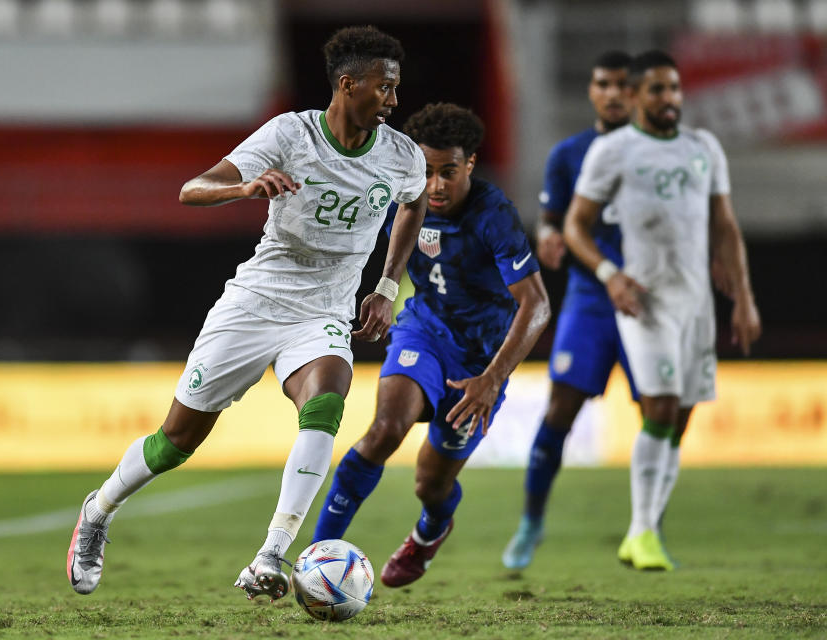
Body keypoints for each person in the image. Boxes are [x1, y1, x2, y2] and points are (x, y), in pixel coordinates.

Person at [66, 25, 428, 600]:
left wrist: (387, 283)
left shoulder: (402, 156)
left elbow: (413, 206)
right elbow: (192, 188)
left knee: (327, 403)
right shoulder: (291, 133)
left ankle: (270, 556)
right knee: (175, 442)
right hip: (256, 303)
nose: (392, 100)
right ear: (347, 83)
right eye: (384, 88)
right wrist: (244, 188)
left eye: (395, 89)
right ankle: (100, 509)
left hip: (324, 311)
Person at [312, 102, 550, 587]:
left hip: (481, 359)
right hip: (423, 330)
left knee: (431, 484)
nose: (436, 185)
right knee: (384, 430)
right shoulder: (401, 198)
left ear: (471, 165)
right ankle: (317, 558)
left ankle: (430, 531)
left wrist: (491, 379)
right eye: (427, 171)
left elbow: (537, 305)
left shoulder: (494, 216)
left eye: (449, 172)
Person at [563, 50, 761, 570]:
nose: (669, 99)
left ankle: (643, 530)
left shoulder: (703, 147)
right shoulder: (614, 151)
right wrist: (610, 276)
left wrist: (743, 298)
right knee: (662, 406)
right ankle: (643, 531)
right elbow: (575, 227)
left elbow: (726, 226)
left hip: (697, 303)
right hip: (644, 302)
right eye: (656, 90)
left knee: (680, 418)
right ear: (633, 97)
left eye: (674, 89)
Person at [503, 50, 637, 570]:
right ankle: (532, 520)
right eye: (604, 83)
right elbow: (551, 218)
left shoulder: (659, 153)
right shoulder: (569, 154)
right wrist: (550, 235)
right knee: (561, 409)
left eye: (623, 85)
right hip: (591, 298)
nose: (613, 93)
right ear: (592, 90)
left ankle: (646, 525)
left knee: (662, 413)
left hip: (651, 300)